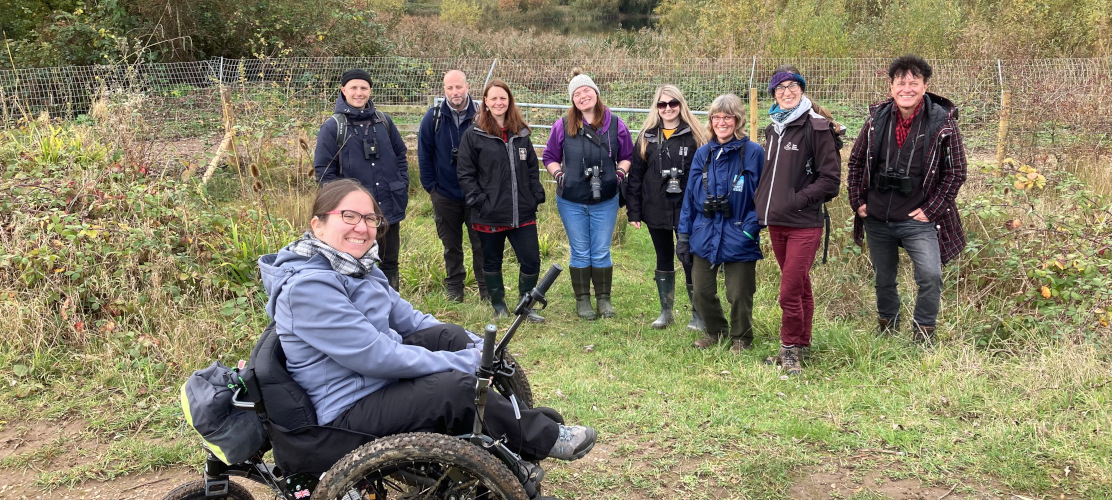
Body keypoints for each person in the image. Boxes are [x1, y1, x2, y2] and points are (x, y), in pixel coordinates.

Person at [258, 179, 597, 466]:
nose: (362, 227)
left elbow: (411, 319)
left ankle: (516, 423)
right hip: (347, 408)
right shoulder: (307, 288)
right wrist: (460, 364)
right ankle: (544, 436)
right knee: (454, 390)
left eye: (370, 218)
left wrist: (472, 344)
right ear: (318, 225)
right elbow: (376, 356)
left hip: (373, 382)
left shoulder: (358, 267)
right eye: (348, 216)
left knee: (448, 335)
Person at [847, 55, 968, 344]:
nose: (907, 89)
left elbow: (957, 172)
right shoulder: (876, 120)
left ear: (925, 86)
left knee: (930, 276)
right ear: (891, 87)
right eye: (901, 83)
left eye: (914, 83)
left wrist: (931, 210)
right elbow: (855, 163)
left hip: (918, 218)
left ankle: (923, 333)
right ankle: (888, 327)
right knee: (883, 279)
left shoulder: (942, 123)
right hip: (877, 216)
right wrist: (858, 202)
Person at [754, 69, 842, 376]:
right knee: (801, 285)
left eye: (792, 86)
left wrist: (796, 200)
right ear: (774, 95)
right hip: (777, 221)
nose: (786, 92)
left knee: (789, 290)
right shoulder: (772, 129)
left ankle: (788, 349)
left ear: (802, 90)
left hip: (805, 224)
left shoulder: (817, 128)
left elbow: (830, 181)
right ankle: (802, 343)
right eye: (779, 89)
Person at [676, 94, 765, 353]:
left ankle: (741, 338)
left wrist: (750, 228)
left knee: (739, 292)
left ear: (737, 120)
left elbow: (762, 195)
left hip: (738, 230)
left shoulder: (753, 152)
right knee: (701, 290)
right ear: (711, 121)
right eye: (717, 117)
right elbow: (690, 198)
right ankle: (716, 332)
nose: (721, 122)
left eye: (727, 117)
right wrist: (684, 234)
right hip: (704, 231)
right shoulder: (703, 153)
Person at [542, 70, 634, 320]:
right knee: (580, 251)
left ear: (596, 93)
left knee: (601, 250)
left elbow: (627, 155)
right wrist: (560, 176)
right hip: (570, 200)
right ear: (573, 100)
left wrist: (619, 176)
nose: (583, 96)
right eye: (577, 93)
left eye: (587, 90)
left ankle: (604, 300)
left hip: (606, 198)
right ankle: (583, 300)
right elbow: (549, 156)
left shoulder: (616, 124)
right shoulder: (562, 125)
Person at [456, 80, 547, 322]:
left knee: (531, 259)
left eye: (503, 98)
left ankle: (525, 304)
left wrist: (535, 194)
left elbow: (531, 168)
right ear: (485, 102)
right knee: (492, 260)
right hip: (489, 212)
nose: (498, 102)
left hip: (522, 212)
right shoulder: (474, 135)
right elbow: (465, 173)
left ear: (509, 101)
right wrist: (479, 200)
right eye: (493, 98)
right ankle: (498, 304)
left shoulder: (521, 132)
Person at [313, 68, 408, 290]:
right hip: (354, 215)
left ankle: (391, 303)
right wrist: (341, 207)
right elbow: (324, 172)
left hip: (388, 205)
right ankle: (359, 303)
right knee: (354, 261)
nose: (358, 93)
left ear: (370, 91)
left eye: (363, 88)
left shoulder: (384, 122)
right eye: (353, 88)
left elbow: (400, 155)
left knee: (390, 261)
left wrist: (402, 184)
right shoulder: (333, 127)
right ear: (343, 90)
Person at [626, 85, 709, 330]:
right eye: (662, 104)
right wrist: (634, 211)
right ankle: (666, 311)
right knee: (663, 257)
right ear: (657, 107)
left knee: (689, 258)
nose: (668, 108)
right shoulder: (646, 136)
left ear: (681, 105)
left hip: (687, 209)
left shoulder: (696, 136)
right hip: (656, 207)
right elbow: (636, 177)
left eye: (673, 103)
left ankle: (698, 313)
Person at [418, 70, 488, 303]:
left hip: (476, 194)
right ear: (444, 89)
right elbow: (424, 155)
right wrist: (432, 188)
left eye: (458, 87)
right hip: (445, 193)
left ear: (467, 87)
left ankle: (486, 289)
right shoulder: (434, 117)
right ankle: (455, 287)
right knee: (451, 245)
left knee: (481, 244)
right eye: (450, 88)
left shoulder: (482, 115)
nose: (455, 92)